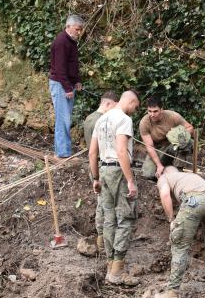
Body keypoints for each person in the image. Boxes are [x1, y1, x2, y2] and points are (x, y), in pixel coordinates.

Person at [89, 90, 140, 285]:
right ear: (131, 101)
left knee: (109, 219)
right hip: (118, 171)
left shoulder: (101, 120)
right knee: (126, 219)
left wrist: (95, 178)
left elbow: (92, 153)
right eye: (136, 106)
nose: (135, 110)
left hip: (103, 170)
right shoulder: (124, 119)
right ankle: (117, 272)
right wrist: (130, 180)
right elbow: (121, 150)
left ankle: (110, 266)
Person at [153, 166, 205, 298]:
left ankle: (172, 292)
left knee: (180, 243)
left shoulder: (164, 177)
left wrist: (171, 220)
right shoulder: (189, 176)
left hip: (195, 201)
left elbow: (165, 194)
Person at [83, 91, 118, 252]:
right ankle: (102, 240)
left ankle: (101, 239)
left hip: (94, 164)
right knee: (104, 204)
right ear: (108, 104)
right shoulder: (101, 121)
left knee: (102, 202)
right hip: (101, 165)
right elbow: (97, 150)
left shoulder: (89, 118)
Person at [49, 14, 85, 160]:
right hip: (60, 84)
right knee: (63, 119)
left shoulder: (71, 42)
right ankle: (62, 154)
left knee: (66, 119)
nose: (79, 32)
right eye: (77, 29)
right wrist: (67, 88)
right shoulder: (61, 42)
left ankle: (64, 152)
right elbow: (60, 68)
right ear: (68, 26)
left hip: (67, 84)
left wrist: (76, 81)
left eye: (80, 30)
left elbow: (72, 65)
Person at [139, 97, 195, 179]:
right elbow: (149, 147)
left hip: (172, 144)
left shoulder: (172, 116)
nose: (152, 114)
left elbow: (190, 128)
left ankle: (180, 169)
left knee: (187, 142)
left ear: (161, 109)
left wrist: (178, 137)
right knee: (148, 175)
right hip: (157, 148)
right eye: (149, 111)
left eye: (155, 111)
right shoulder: (144, 123)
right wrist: (159, 165)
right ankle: (165, 165)